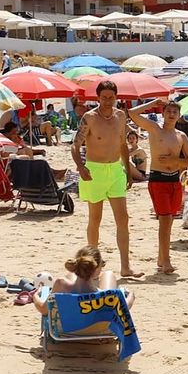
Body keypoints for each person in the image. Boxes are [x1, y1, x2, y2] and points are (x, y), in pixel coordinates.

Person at [72, 80, 136, 277]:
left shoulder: (120, 115)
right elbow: (75, 144)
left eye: (111, 97)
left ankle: (125, 267)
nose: (108, 101)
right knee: (95, 218)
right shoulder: (89, 118)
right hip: (94, 171)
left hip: (116, 170)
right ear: (98, 97)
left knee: (123, 219)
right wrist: (80, 167)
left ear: (116, 97)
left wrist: (128, 170)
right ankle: (92, 266)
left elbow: (123, 145)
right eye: (104, 97)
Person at [126, 98, 188, 275]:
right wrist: (154, 102)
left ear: (179, 116)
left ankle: (160, 257)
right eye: (168, 111)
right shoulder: (154, 129)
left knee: (169, 221)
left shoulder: (181, 136)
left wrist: (175, 160)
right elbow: (132, 114)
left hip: (175, 180)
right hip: (158, 180)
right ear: (163, 113)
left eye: (175, 112)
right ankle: (166, 261)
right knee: (164, 220)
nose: (171, 115)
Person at [34, 245, 135, 334]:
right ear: (96, 269)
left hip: (66, 330)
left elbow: (44, 310)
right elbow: (123, 308)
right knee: (109, 275)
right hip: (101, 330)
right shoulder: (107, 295)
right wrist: (131, 296)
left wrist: (35, 296)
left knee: (70, 276)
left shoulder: (61, 284)